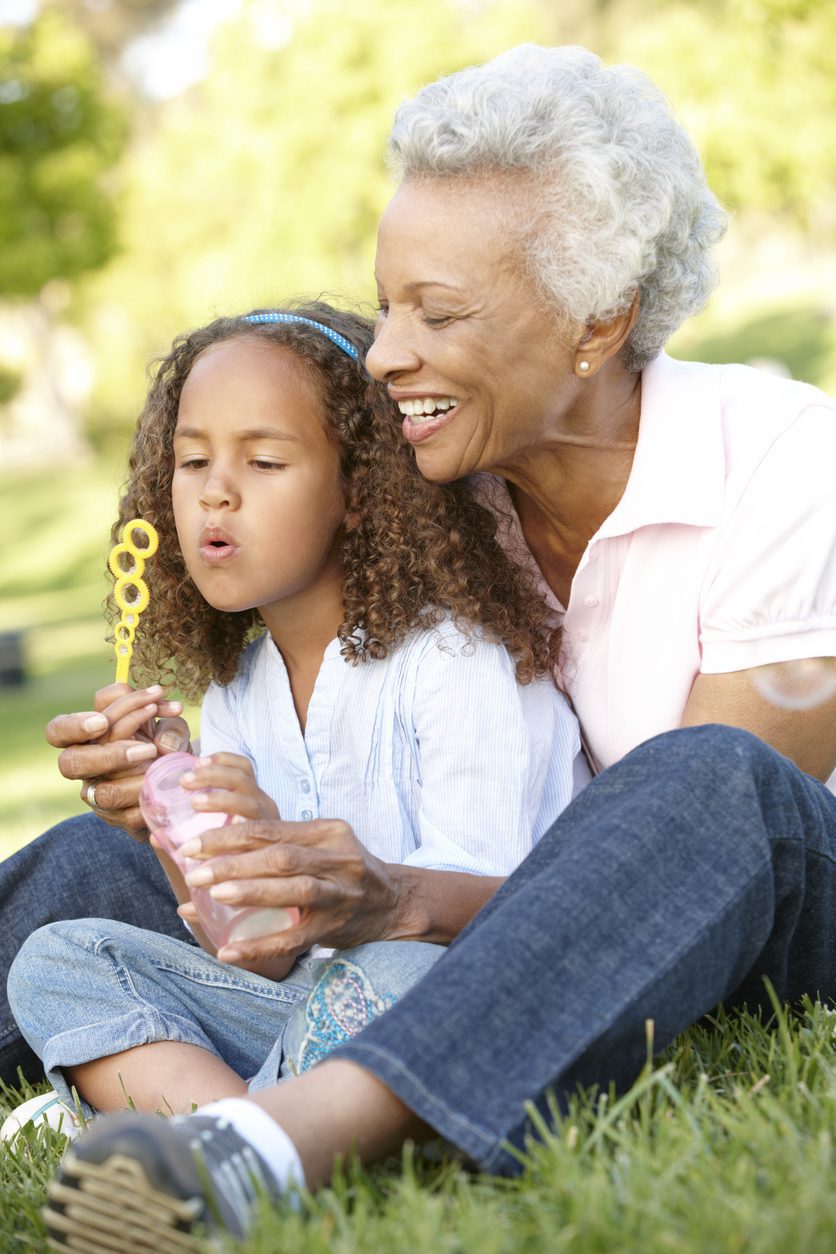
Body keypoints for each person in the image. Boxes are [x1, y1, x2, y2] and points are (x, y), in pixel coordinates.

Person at [4, 42, 835, 1252]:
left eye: (436, 314)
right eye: (388, 301)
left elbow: (698, 873)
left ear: (594, 325)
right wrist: (182, 807)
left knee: (702, 776)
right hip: (478, 920)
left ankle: (269, 1149)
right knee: (85, 863)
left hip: (771, 906)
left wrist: (397, 902)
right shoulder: (435, 502)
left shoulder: (780, 461)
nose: (385, 351)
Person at [5, 301, 581, 1132]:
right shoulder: (243, 689)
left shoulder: (455, 662)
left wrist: (315, 877)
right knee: (57, 960)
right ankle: (246, 1130)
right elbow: (263, 956)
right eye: (192, 461)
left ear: (359, 491)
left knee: (391, 974)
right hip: (315, 1008)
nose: (216, 495)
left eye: (265, 462)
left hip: (454, 995)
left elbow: (500, 930)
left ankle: (198, 1118)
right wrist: (180, 813)